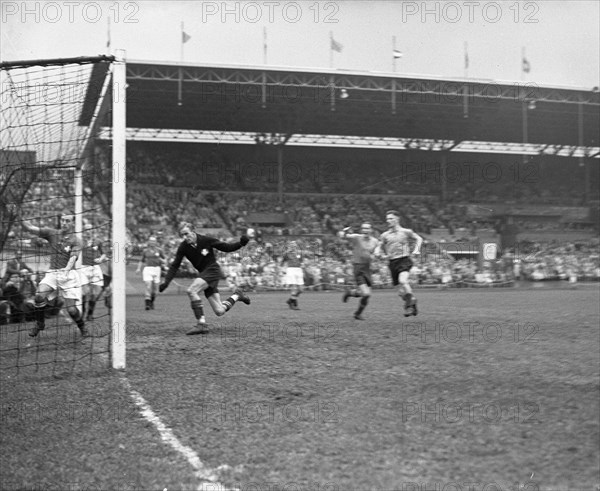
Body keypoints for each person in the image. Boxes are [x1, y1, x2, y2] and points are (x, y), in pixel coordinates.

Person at [158, 222, 251, 335]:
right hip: (205, 274)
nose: (185, 237)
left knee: (191, 290)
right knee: (219, 311)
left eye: (186, 234)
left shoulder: (206, 240)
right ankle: (237, 295)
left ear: (193, 231)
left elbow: (226, 247)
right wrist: (166, 282)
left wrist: (241, 243)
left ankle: (201, 324)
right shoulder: (183, 247)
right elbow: (175, 266)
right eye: (182, 235)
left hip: (212, 270)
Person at [21, 211, 87, 337]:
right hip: (53, 274)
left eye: (68, 221)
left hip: (69, 275)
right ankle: (40, 324)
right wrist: (18, 216)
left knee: (72, 310)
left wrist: (67, 269)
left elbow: (73, 257)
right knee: (39, 296)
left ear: (73, 223)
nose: (64, 223)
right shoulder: (52, 233)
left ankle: (83, 328)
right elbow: (30, 228)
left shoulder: (77, 241)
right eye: (63, 220)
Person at [379, 210, 423, 317]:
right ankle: (413, 302)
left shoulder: (406, 231)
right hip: (392, 262)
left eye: (391, 218)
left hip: (404, 260)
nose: (388, 221)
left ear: (397, 219)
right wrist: (378, 252)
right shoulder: (385, 235)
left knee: (403, 280)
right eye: (387, 219)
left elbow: (419, 238)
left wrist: (417, 249)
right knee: (400, 292)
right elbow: (379, 246)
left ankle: (408, 307)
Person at [340, 223, 380, 320]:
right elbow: (344, 236)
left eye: (367, 228)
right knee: (366, 294)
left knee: (366, 295)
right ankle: (357, 313)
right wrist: (345, 231)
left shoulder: (375, 241)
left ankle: (351, 293)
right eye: (363, 228)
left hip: (368, 268)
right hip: (358, 267)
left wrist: (376, 255)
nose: (365, 230)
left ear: (371, 230)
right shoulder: (357, 237)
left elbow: (377, 251)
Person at [78, 227, 108, 320]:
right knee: (85, 292)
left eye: (90, 230)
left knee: (96, 293)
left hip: (95, 268)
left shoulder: (98, 241)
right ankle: (82, 313)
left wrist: (100, 259)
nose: (88, 232)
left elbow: (104, 254)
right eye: (86, 230)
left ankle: (90, 314)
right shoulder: (80, 242)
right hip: (84, 268)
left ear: (92, 231)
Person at [136, 236, 166, 310]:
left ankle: (151, 302)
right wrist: (138, 268)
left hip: (157, 269)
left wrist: (162, 263)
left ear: (156, 242)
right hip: (148, 269)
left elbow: (165, 260)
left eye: (154, 241)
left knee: (155, 290)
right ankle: (147, 304)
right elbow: (141, 261)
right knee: (148, 285)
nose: (152, 242)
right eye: (151, 241)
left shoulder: (159, 250)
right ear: (149, 242)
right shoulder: (145, 251)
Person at [283, 241, 304, 310]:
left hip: (299, 270)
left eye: (294, 245)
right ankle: (293, 304)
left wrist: (302, 265)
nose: (293, 246)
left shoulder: (299, 252)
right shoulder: (287, 253)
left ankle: (291, 300)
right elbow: (283, 259)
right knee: (294, 288)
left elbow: (301, 261)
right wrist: (287, 251)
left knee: (301, 289)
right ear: (289, 246)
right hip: (291, 270)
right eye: (291, 245)